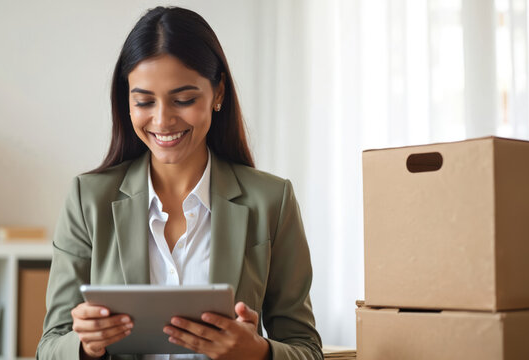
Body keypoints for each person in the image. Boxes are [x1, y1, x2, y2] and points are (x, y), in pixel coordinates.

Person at [37, 6, 323, 360]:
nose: (162, 120)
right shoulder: (87, 199)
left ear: (218, 93)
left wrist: (259, 352)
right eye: (144, 101)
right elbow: (50, 346)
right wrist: (86, 346)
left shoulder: (271, 201)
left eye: (184, 100)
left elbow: (307, 349)